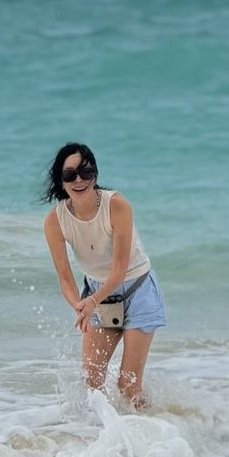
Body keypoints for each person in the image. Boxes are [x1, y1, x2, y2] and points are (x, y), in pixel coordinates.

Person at [42, 142, 166, 409]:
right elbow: (64, 276)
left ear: (95, 175)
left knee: (128, 385)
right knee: (92, 382)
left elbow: (119, 268)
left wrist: (92, 302)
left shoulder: (117, 205)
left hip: (138, 289)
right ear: (60, 180)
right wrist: (80, 305)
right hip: (98, 295)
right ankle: (101, 441)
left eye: (86, 172)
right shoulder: (55, 221)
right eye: (70, 174)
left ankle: (153, 432)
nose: (79, 180)